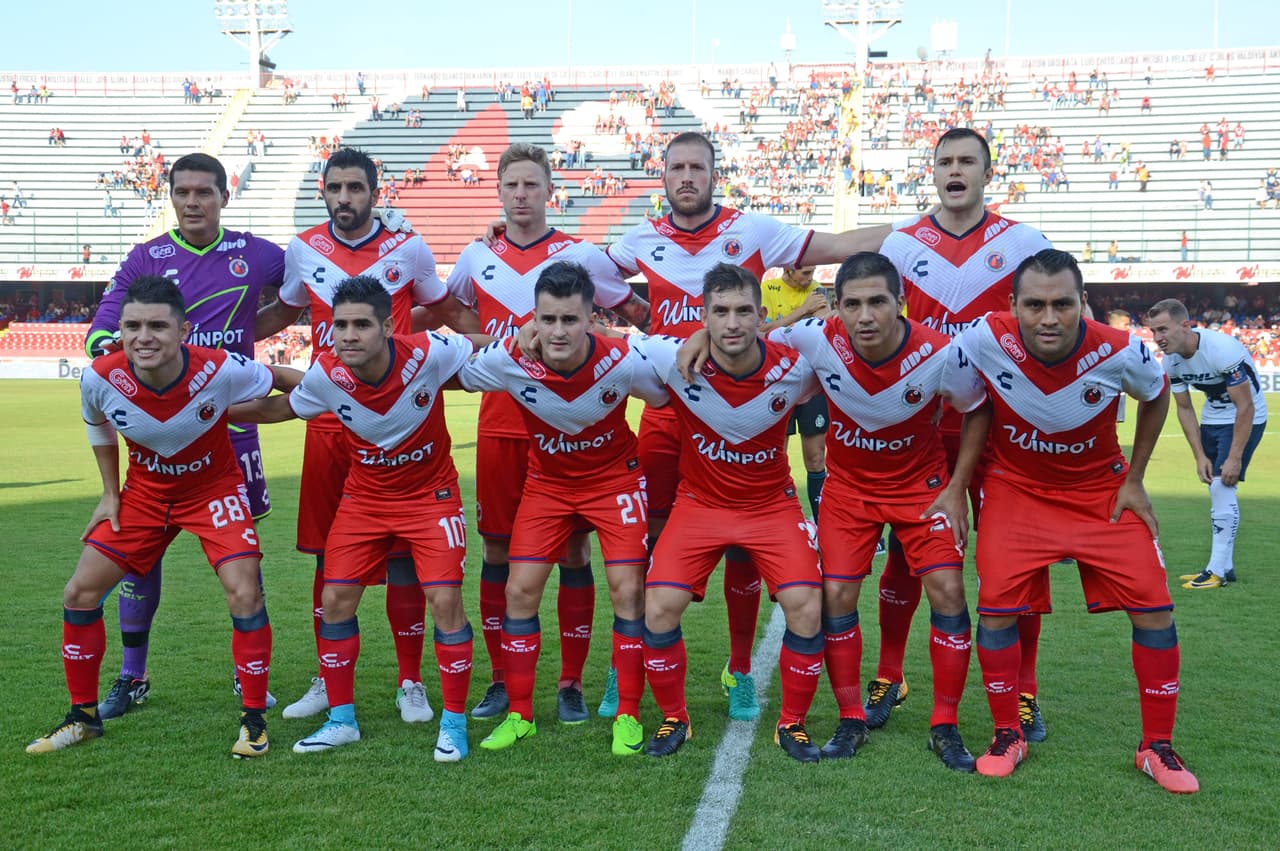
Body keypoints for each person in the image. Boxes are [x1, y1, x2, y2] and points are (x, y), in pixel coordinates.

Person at [603, 131, 903, 723]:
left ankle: (739, 670)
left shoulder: (757, 230)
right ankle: (627, 666)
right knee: (648, 543)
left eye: (698, 167)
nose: (687, 176)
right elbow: (582, 276)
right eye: (677, 167)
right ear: (662, 176)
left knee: (743, 544)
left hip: (740, 398)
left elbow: (843, 243)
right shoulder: (636, 239)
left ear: (716, 175)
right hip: (672, 408)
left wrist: (932, 230)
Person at [942, 248, 1198, 794]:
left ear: (1083, 302)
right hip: (1017, 492)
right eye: (1034, 304)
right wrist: (961, 484)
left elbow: (1156, 396)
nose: (1049, 317)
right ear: (1013, 305)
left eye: (1063, 303)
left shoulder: (1120, 348)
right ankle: (1006, 733)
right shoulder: (984, 338)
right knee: (996, 614)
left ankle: (1156, 747)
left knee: (1155, 610)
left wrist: (1135, 477)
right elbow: (973, 406)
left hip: (1101, 493)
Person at [255, 148, 478, 726]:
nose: (345, 198)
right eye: (335, 188)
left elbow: (443, 308)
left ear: (376, 193)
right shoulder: (303, 249)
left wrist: (511, 338)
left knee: (408, 556)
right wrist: (210, 343)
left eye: (356, 188)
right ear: (323, 193)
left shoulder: (410, 246)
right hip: (329, 420)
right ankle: (329, 681)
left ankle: (411, 682)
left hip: (402, 418)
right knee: (329, 557)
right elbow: (281, 313)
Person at [27, 277, 289, 757]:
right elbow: (97, 424)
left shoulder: (221, 368)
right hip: (144, 495)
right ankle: (83, 718)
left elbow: (285, 380)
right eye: (132, 326)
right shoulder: (101, 376)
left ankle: (254, 722)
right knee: (80, 592)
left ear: (184, 329)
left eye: (156, 326)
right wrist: (110, 492)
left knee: (245, 591)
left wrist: (326, 392)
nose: (143, 337)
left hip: (213, 491)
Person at [234, 276, 482, 759]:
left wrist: (523, 335)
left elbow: (476, 342)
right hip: (364, 500)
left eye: (361, 325)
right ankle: (341, 719)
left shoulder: (428, 353)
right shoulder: (328, 373)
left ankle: (453, 724)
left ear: (388, 326)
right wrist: (211, 410)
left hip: (430, 498)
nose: (347, 335)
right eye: (340, 324)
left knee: (445, 600)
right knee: (336, 599)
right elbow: (285, 408)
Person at [448, 143, 649, 722]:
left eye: (532, 185)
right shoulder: (474, 256)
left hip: (573, 424)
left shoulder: (580, 255)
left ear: (548, 191)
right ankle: (501, 679)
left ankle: (569, 682)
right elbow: (453, 313)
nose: (521, 195)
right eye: (512, 185)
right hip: (503, 427)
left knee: (574, 550)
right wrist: (498, 341)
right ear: (499, 191)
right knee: (497, 551)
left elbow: (632, 309)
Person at [765, 252, 988, 769]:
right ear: (836, 307)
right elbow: (750, 340)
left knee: (949, 591)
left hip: (921, 488)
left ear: (901, 304)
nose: (865, 316)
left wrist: (957, 488)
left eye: (877, 302)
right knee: (837, 594)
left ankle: (945, 725)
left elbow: (976, 410)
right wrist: (701, 337)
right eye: (853, 304)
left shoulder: (940, 353)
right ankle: (850, 719)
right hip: (849, 491)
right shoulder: (815, 339)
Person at [83, 153, 286, 720]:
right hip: (161, 424)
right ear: (170, 196)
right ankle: (133, 674)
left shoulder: (258, 253)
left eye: (204, 192)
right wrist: (112, 351)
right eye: (183, 192)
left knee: (244, 560)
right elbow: (108, 315)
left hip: (234, 425)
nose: (193, 202)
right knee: (140, 558)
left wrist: (255, 328)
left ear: (225, 196)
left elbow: (307, 285)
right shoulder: (149, 256)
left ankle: (247, 677)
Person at [871, 127, 1053, 741]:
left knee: (1018, 561)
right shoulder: (901, 244)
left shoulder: (1024, 242)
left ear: (986, 172)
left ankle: (1024, 692)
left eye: (966, 161)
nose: (955, 170)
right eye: (945, 161)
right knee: (907, 556)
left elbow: (1052, 322)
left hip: (1003, 431)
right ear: (934, 171)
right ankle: (891, 676)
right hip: (921, 430)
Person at [457, 261, 668, 756]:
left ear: (592, 318)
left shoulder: (623, 358)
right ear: (533, 318)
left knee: (628, 590)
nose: (558, 331)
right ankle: (521, 714)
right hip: (548, 484)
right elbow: (463, 375)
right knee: (520, 589)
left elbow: (664, 388)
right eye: (547, 319)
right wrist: (509, 338)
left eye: (569, 320)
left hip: (613, 481)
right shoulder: (511, 359)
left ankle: (629, 715)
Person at [631, 263, 827, 762]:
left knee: (806, 604)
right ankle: (676, 717)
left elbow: (851, 328)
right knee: (658, 607)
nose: (733, 323)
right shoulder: (672, 359)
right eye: (720, 312)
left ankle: (792, 724)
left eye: (744, 311)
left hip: (770, 506)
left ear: (762, 316)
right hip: (700, 505)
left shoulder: (798, 365)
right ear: (703, 317)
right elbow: (600, 349)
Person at [1145, 299, 1267, 589]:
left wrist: (1235, 457)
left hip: (1246, 416)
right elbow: (1184, 409)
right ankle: (1225, 566)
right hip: (1213, 418)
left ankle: (1216, 571)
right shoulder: (1171, 361)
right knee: (1214, 482)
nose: (1158, 338)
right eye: (1153, 332)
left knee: (1222, 485)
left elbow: (1246, 407)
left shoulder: (1222, 350)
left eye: (1163, 329)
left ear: (1185, 325)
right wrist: (1199, 455)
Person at [759, 264, 830, 520]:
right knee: (776, 457)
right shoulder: (768, 289)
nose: (810, 278)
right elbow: (762, 332)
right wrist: (803, 311)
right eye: (805, 273)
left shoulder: (817, 291)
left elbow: (825, 326)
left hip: (813, 380)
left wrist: (812, 311)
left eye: (812, 273)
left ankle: (822, 522)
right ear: (788, 270)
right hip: (778, 381)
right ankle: (773, 519)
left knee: (815, 458)